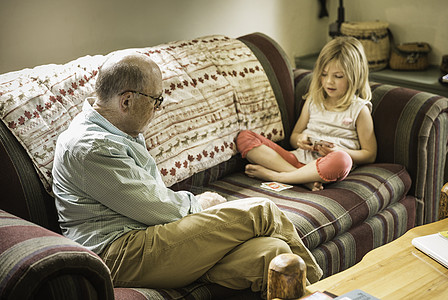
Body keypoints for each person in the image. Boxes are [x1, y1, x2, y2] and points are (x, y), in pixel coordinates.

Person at [52, 51, 322, 297]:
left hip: (155, 238)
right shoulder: (90, 147)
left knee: (273, 254)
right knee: (262, 211)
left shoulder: (117, 130)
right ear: (126, 101)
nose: (158, 109)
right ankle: (325, 292)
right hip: (122, 252)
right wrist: (201, 204)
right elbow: (154, 206)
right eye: (156, 100)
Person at [236, 36, 377, 191]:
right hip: (297, 159)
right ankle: (301, 178)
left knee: (342, 160)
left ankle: (279, 176)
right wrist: (301, 140)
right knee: (244, 138)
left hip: (325, 167)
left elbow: (369, 154)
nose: (329, 81)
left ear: (355, 77)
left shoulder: (359, 110)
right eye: (324, 74)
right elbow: (294, 137)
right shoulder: (313, 101)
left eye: (338, 76)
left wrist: (339, 150)